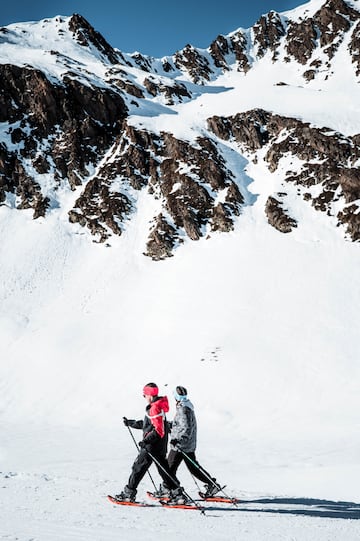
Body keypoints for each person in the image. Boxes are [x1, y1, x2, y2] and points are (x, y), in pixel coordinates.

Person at [115, 382, 186, 503]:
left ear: (150, 395)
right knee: (163, 470)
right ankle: (177, 494)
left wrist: (145, 441)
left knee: (138, 468)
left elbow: (158, 430)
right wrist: (131, 423)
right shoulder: (158, 406)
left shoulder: (154, 408)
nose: (144, 397)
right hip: (159, 445)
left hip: (152, 445)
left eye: (144, 395)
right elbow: (150, 425)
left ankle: (128, 494)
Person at [158, 385, 221, 498]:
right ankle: (212, 485)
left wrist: (178, 440)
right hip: (187, 444)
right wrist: (170, 425)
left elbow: (186, 427)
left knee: (169, 467)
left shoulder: (183, 408)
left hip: (180, 445)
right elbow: (182, 424)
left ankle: (168, 489)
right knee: (193, 468)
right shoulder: (186, 406)